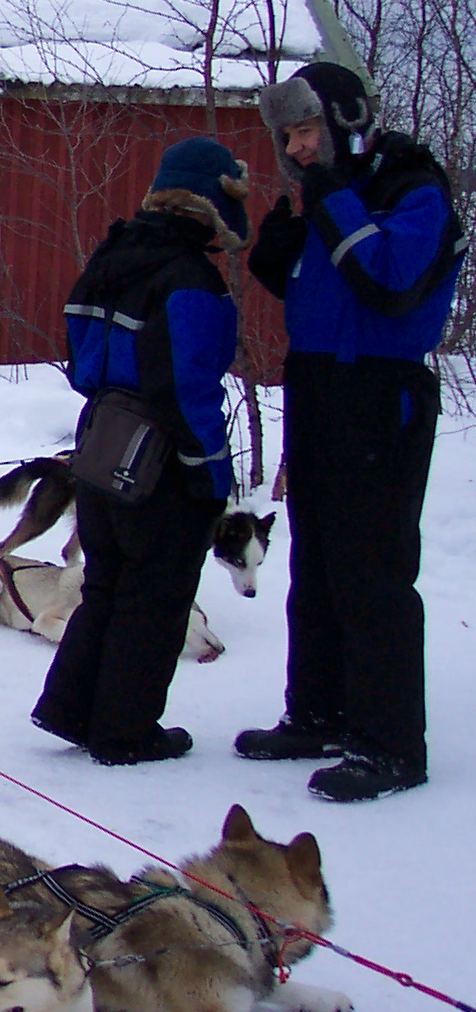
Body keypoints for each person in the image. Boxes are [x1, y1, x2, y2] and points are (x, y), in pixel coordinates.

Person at [239, 61, 466, 801]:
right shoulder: (338, 197)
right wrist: (280, 244)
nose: (298, 148)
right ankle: (319, 712)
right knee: (317, 563)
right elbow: (324, 285)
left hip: (381, 391)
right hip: (318, 383)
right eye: (289, 136)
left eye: (307, 130)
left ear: (342, 121)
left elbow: (391, 285)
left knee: (373, 572)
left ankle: (390, 744)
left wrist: (332, 202)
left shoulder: (412, 187)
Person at [29, 138, 249, 767]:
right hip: (160, 460)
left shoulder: (113, 254)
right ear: (213, 204)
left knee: (106, 586)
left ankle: (71, 709)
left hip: (100, 440)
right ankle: (125, 734)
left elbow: (78, 350)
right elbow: (190, 387)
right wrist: (210, 474)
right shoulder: (191, 279)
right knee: (154, 599)